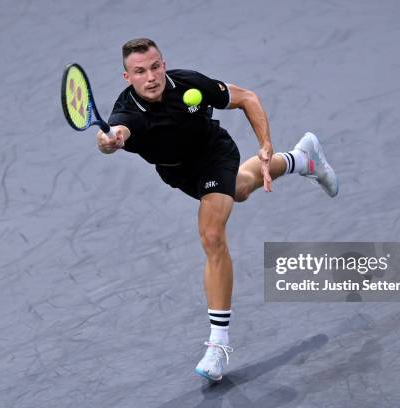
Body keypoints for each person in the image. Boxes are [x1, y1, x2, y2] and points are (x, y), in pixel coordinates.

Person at [97, 38, 338, 382]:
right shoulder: (126, 114)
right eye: (140, 72)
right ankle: (303, 158)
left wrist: (266, 144)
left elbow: (246, 98)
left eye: (155, 67)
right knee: (240, 188)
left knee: (212, 235)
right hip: (178, 171)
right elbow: (115, 135)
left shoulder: (191, 84)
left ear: (163, 64)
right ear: (127, 77)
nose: (150, 77)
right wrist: (109, 141)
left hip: (214, 155)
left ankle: (217, 345)